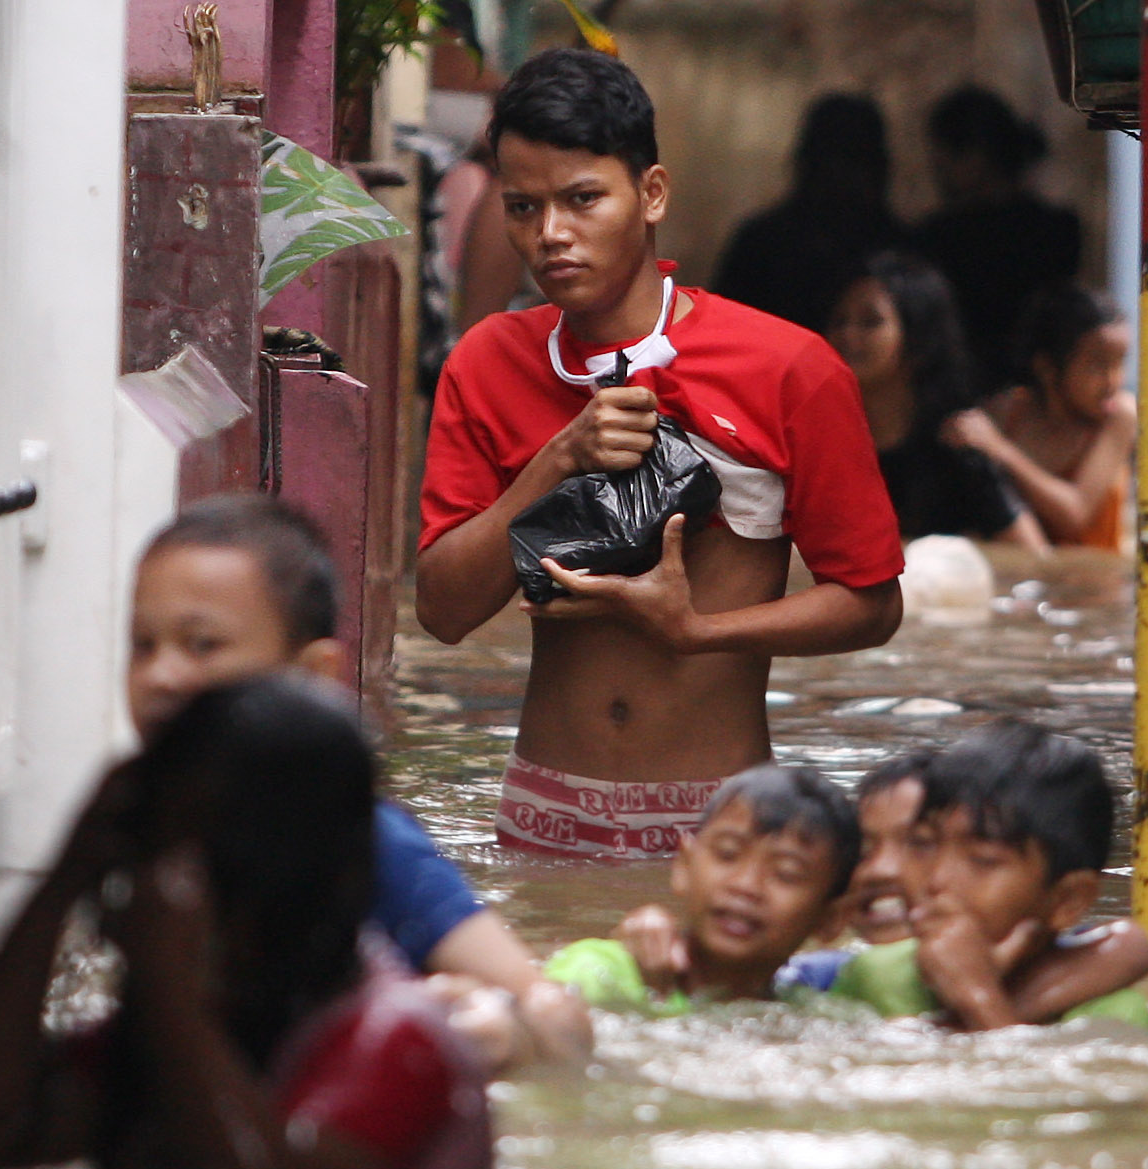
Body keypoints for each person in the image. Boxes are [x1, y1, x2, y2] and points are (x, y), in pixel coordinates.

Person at [418, 48, 907, 860]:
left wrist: (696, 631)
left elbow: (871, 602)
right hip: (541, 812)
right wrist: (555, 464)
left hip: (718, 822)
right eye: (522, 208)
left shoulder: (788, 367)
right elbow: (442, 610)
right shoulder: (487, 361)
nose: (552, 237)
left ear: (651, 194)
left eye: (582, 200)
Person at [0, 678, 505, 1169]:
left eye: (205, 862)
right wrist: (65, 878)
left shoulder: (397, 1038)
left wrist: (168, 981)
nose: (172, 890)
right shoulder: (189, 1021)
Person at [122, 495, 590, 1070]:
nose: (162, 675)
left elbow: (553, 1014)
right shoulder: (127, 831)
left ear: (311, 676)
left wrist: (491, 1030)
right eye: (142, 645)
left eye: (203, 645)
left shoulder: (359, 841)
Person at [831, 721, 1148, 1031]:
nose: (936, 879)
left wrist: (977, 998)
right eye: (925, 845)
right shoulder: (874, 975)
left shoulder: (1115, 1016)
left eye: (983, 861)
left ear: (1066, 900)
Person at [543, 765, 859, 1011]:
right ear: (684, 866)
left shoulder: (815, 1008)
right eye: (727, 854)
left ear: (831, 919)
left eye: (786, 874)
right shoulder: (599, 975)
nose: (746, 885)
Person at [826, 251, 1045, 550]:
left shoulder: (956, 444)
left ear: (918, 338)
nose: (847, 335)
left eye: (870, 322)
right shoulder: (821, 439)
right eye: (839, 321)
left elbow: (1032, 556)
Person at [913, 86, 1081, 389]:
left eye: (946, 156)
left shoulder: (941, 236)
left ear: (978, 154)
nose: (938, 169)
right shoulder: (1058, 229)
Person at [949, 284, 1136, 552]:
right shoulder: (1009, 411)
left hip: (1094, 586)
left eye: (1119, 362)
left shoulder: (1119, 416)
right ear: (1047, 367)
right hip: (1021, 581)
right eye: (1097, 363)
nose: (1113, 381)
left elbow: (1076, 514)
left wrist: (1001, 450)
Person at [712, 93, 907, 337]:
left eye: (852, 161)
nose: (841, 177)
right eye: (833, 161)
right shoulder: (762, 244)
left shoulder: (899, 252)